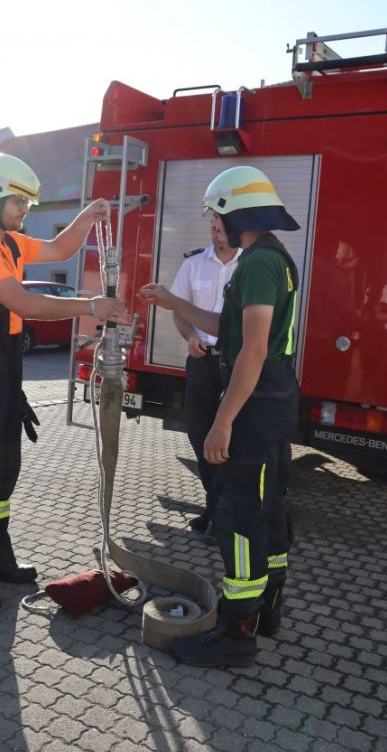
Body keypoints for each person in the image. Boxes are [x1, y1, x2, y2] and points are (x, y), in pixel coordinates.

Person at [0, 153, 125, 612]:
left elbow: (61, 250)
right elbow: (27, 304)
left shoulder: (10, 242)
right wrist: (90, 306)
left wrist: (87, 215)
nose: (26, 212)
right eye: (21, 203)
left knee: (4, 470)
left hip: (0, 371)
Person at [141, 165, 300, 668]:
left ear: (235, 212)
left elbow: (250, 350)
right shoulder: (272, 257)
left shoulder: (255, 264)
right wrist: (172, 301)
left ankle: (236, 634)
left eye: (216, 212)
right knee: (270, 509)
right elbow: (227, 329)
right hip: (274, 399)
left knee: (239, 516)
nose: (213, 221)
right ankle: (267, 611)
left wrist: (223, 419)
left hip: (253, 406)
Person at [170, 214, 239, 536]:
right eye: (213, 228)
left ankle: (224, 515)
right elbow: (179, 310)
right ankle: (213, 506)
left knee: (231, 439)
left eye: (221, 228)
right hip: (202, 361)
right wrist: (190, 337)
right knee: (200, 434)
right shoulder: (193, 264)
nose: (216, 234)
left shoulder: (249, 265)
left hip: (235, 364)